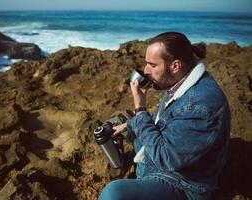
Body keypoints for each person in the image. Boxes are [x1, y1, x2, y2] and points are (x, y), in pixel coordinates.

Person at [98, 32, 230, 200]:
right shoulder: (182, 82)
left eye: (152, 65)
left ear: (175, 66)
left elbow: (166, 158)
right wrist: (130, 124)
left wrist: (140, 108)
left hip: (182, 184)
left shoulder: (201, 105)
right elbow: (169, 121)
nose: (145, 71)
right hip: (164, 171)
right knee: (119, 120)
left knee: (114, 193)